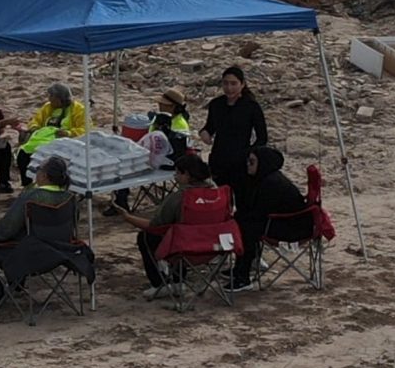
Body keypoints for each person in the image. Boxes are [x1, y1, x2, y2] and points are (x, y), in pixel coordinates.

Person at [0, 156, 77, 304]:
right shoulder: (70, 198)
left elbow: (7, 228)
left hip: (32, 255)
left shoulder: (31, 197)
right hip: (61, 252)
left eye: (38, 169)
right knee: (24, 236)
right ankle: (17, 286)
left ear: (44, 176)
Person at [114, 154, 215, 299]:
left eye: (177, 173)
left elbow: (154, 226)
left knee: (147, 237)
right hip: (214, 247)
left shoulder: (180, 197)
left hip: (188, 247)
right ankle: (178, 280)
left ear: (186, 174)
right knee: (179, 232)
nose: (175, 176)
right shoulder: (217, 192)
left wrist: (128, 217)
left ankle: (160, 283)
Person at [226, 146, 312, 291]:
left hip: (292, 228)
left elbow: (260, 211)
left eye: (252, 162)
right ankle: (242, 267)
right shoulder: (265, 178)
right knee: (243, 222)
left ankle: (243, 276)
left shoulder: (272, 183)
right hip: (283, 222)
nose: (248, 164)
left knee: (247, 228)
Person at [103, 87, 191, 216]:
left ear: (173, 107)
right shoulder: (162, 118)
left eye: (163, 104)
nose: (159, 105)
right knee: (124, 161)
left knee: (126, 167)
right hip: (155, 155)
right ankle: (120, 200)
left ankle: (121, 201)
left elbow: (171, 147)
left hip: (169, 160)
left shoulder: (179, 123)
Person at [199, 66, 267, 195]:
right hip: (218, 159)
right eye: (226, 83)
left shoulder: (251, 106)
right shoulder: (216, 104)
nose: (229, 88)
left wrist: (250, 155)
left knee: (242, 199)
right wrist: (204, 133)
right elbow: (209, 127)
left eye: (233, 83)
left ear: (242, 84)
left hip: (241, 161)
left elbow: (262, 138)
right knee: (221, 198)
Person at [16, 82, 88, 187]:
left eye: (51, 96)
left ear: (60, 98)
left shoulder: (78, 110)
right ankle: (27, 185)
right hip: (44, 141)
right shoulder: (47, 107)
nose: (49, 99)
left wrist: (69, 133)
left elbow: (85, 129)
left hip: (65, 143)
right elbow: (35, 120)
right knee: (22, 155)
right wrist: (34, 127)